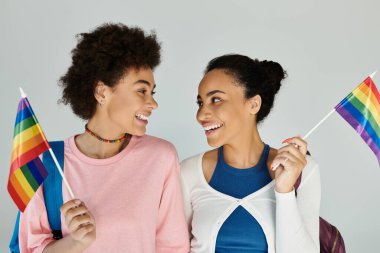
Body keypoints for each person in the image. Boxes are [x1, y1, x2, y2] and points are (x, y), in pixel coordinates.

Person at [18, 23, 189, 253]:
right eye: (141, 90)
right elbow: (30, 249)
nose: (153, 103)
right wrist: (75, 242)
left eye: (152, 92)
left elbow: (172, 247)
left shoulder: (161, 157)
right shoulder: (46, 161)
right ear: (102, 92)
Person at [180, 54, 320, 253]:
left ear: (254, 104)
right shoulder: (187, 173)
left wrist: (285, 192)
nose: (201, 115)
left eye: (216, 99)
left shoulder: (304, 170)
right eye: (200, 102)